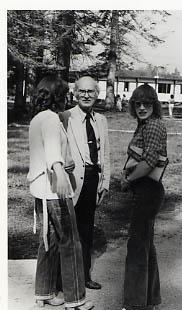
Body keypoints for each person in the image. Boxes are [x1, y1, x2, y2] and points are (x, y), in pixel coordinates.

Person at [27, 75, 94, 310]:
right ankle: (75, 299)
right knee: (71, 241)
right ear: (56, 96)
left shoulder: (37, 119)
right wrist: (61, 173)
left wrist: (59, 165)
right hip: (56, 190)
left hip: (40, 190)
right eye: (64, 95)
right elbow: (53, 153)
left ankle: (43, 292)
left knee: (49, 241)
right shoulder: (53, 120)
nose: (66, 99)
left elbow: (44, 152)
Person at [118, 84, 168, 310]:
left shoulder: (155, 125)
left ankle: (133, 304)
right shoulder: (145, 125)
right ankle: (151, 298)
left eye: (147, 103)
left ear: (154, 105)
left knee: (137, 246)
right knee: (145, 244)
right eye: (137, 103)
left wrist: (128, 179)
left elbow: (148, 162)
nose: (141, 107)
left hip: (148, 191)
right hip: (145, 190)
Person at [60, 76, 110, 290]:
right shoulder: (65, 117)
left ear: (97, 94)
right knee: (67, 231)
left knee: (87, 230)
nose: (87, 95)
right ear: (75, 93)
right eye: (82, 91)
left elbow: (105, 153)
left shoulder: (101, 120)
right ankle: (63, 280)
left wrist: (105, 182)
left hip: (92, 180)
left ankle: (84, 275)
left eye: (91, 91)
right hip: (71, 181)